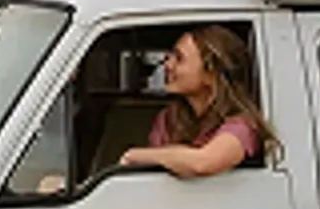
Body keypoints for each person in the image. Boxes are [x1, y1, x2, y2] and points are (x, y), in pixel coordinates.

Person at [119, 25, 277, 178]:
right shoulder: (168, 119)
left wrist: (133, 155)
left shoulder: (243, 127)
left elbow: (204, 162)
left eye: (179, 58)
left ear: (211, 73)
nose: (168, 64)